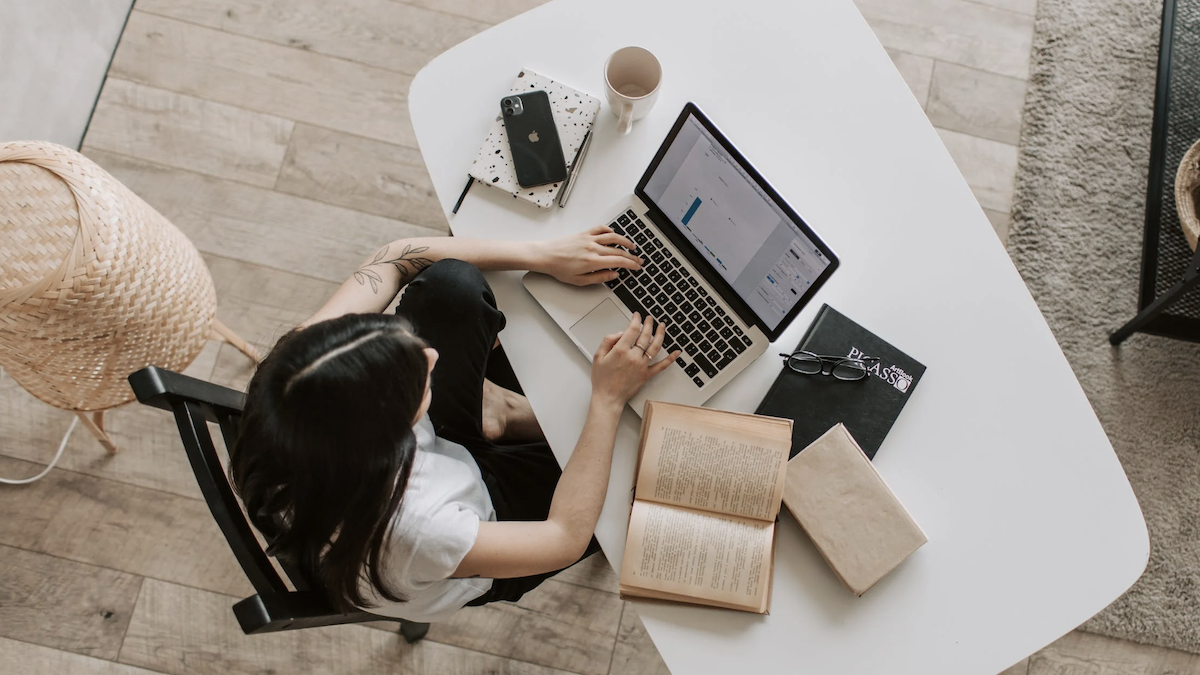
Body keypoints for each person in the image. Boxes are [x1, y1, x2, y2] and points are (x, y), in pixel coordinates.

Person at [229, 226, 680, 623]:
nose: (431, 355)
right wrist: (606, 400)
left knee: (449, 285)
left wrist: (541, 254)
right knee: (646, 471)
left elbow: (393, 258)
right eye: (416, 381)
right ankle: (502, 415)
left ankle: (496, 414)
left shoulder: (299, 375)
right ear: (391, 437)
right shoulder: (421, 529)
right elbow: (563, 537)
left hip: (419, 470)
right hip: (485, 526)